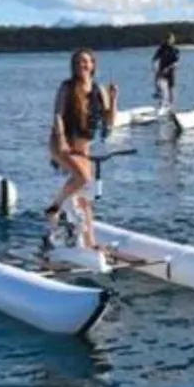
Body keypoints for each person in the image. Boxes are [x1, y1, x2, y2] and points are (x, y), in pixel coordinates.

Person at [44, 48, 118, 252]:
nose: (82, 66)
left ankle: (90, 242)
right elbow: (58, 115)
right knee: (84, 179)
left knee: (86, 199)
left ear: (93, 65)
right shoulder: (67, 87)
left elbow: (110, 122)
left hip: (83, 147)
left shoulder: (98, 90)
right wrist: (62, 141)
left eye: (85, 62)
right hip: (62, 143)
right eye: (78, 62)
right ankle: (54, 208)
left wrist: (114, 99)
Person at [151, 33, 179, 108]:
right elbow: (155, 58)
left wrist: (168, 68)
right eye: (167, 39)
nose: (169, 41)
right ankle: (159, 97)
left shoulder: (175, 50)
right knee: (158, 80)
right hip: (162, 69)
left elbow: (176, 63)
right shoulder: (161, 48)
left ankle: (171, 105)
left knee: (171, 88)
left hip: (171, 71)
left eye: (171, 39)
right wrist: (154, 64)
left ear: (173, 40)